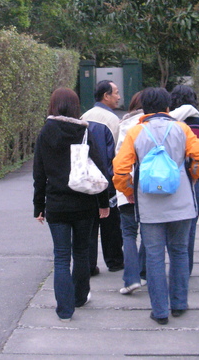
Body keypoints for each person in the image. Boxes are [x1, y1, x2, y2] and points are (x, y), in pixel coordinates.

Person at [113, 87, 199, 325]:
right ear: (168, 107)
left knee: (154, 256)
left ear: (144, 108)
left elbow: (120, 170)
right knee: (179, 251)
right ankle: (179, 304)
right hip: (181, 203)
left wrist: (129, 191)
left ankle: (159, 311)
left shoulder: (136, 132)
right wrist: (194, 175)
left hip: (149, 206)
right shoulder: (182, 128)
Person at [33, 87, 110, 322]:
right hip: (84, 203)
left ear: (53, 105)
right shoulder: (84, 132)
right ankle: (80, 297)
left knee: (61, 256)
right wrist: (103, 203)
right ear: (76, 107)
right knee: (81, 252)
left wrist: (38, 206)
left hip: (57, 204)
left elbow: (39, 173)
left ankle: (65, 310)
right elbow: (100, 169)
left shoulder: (45, 132)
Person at [81, 80, 124, 275]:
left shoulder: (84, 117)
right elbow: (116, 154)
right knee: (111, 225)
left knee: (89, 226)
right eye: (116, 93)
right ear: (106, 96)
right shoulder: (113, 120)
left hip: (86, 181)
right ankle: (114, 261)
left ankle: (89, 265)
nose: (119, 97)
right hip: (108, 182)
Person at [170, 85, 199, 275]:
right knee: (190, 226)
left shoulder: (168, 121)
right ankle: (186, 268)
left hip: (170, 177)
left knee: (167, 225)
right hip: (194, 179)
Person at [115, 91, 147, 294]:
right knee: (148, 232)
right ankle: (143, 273)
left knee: (128, 233)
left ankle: (131, 278)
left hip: (127, 186)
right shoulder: (155, 125)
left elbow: (119, 160)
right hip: (151, 187)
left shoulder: (125, 125)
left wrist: (126, 189)